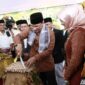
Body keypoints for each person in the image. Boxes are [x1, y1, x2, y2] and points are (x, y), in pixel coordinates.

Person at [14, 12, 57, 85]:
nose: (34, 28)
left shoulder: (50, 33)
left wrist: (35, 58)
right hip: (34, 66)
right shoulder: (30, 30)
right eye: (33, 26)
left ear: (43, 22)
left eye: (37, 26)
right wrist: (18, 45)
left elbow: (49, 51)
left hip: (47, 65)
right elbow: (17, 37)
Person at [58, 5, 85, 85]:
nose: (61, 23)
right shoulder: (75, 30)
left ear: (71, 18)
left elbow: (76, 60)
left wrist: (66, 75)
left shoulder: (79, 32)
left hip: (77, 75)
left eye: (63, 20)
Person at [44, 17, 66, 85]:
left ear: (51, 24)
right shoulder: (44, 33)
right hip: (48, 59)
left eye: (47, 24)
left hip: (57, 58)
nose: (46, 26)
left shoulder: (58, 32)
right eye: (45, 25)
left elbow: (61, 45)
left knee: (59, 74)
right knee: (51, 76)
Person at [0, 19, 14, 85]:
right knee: (3, 72)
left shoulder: (7, 32)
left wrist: (10, 48)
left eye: (3, 25)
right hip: (1, 55)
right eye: (0, 25)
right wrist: (1, 50)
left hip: (9, 54)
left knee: (11, 70)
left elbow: (11, 42)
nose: (2, 26)